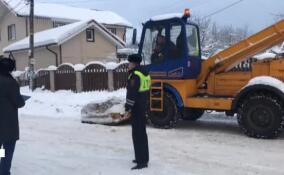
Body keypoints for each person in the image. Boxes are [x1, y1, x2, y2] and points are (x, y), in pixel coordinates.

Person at [123, 54, 151, 170]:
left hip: (136, 108)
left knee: (137, 134)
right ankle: (143, 157)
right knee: (142, 133)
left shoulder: (135, 76)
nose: (128, 65)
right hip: (143, 106)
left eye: (129, 63)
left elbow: (132, 94)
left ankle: (142, 161)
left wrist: (127, 108)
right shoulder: (145, 73)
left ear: (133, 64)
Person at [0, 57, 25, 175]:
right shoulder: (10, 83)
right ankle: (4, 171)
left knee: (1, 150)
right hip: (8, 126)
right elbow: (19, 102)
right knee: (7, 150)